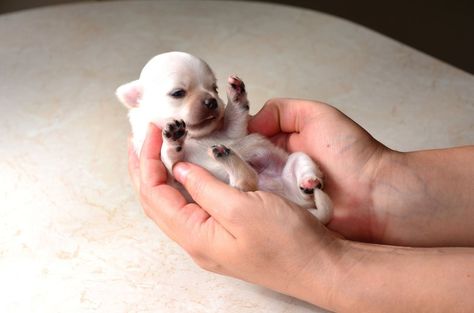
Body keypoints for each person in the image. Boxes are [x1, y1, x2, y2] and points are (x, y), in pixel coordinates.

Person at [127, 98, 474, 312]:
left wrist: (326, 266)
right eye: (178, 94)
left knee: (291, 167)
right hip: (280, 182)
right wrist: (378, 185)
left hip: (276, 178)